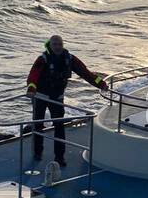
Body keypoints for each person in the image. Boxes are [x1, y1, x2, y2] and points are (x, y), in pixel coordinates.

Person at [25, 35, 108, 166]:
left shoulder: (70, 59)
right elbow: (33, 76)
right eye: (55, 44)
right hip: (40, 97)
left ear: (63, 45)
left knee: (59, 126)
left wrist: (100, 84)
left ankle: (59, 157)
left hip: (57, 98)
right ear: (50, 45)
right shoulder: (42, 59)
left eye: (59, 44)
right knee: (38, 125)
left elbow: (85, 73)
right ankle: (37, 152)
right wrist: (31, 89)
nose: (57, 47)